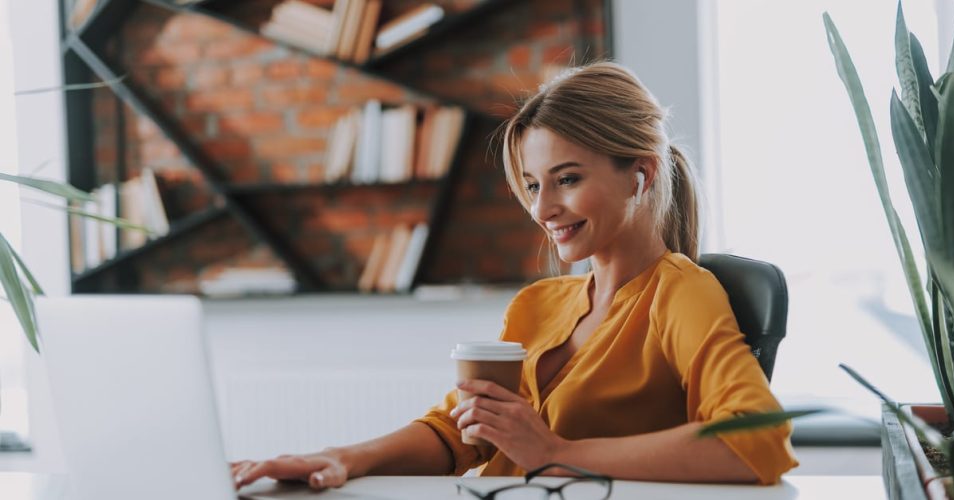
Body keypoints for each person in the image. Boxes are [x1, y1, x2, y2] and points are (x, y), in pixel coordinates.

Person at [230, 61, 798, 491]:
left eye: (567, 179)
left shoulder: (681, 293)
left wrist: (552, 451)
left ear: (640, 176)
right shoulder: (538, 305)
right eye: (532, 185)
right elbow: (462, 431)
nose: (542, 208)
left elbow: (757, 440)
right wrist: (346, 458)